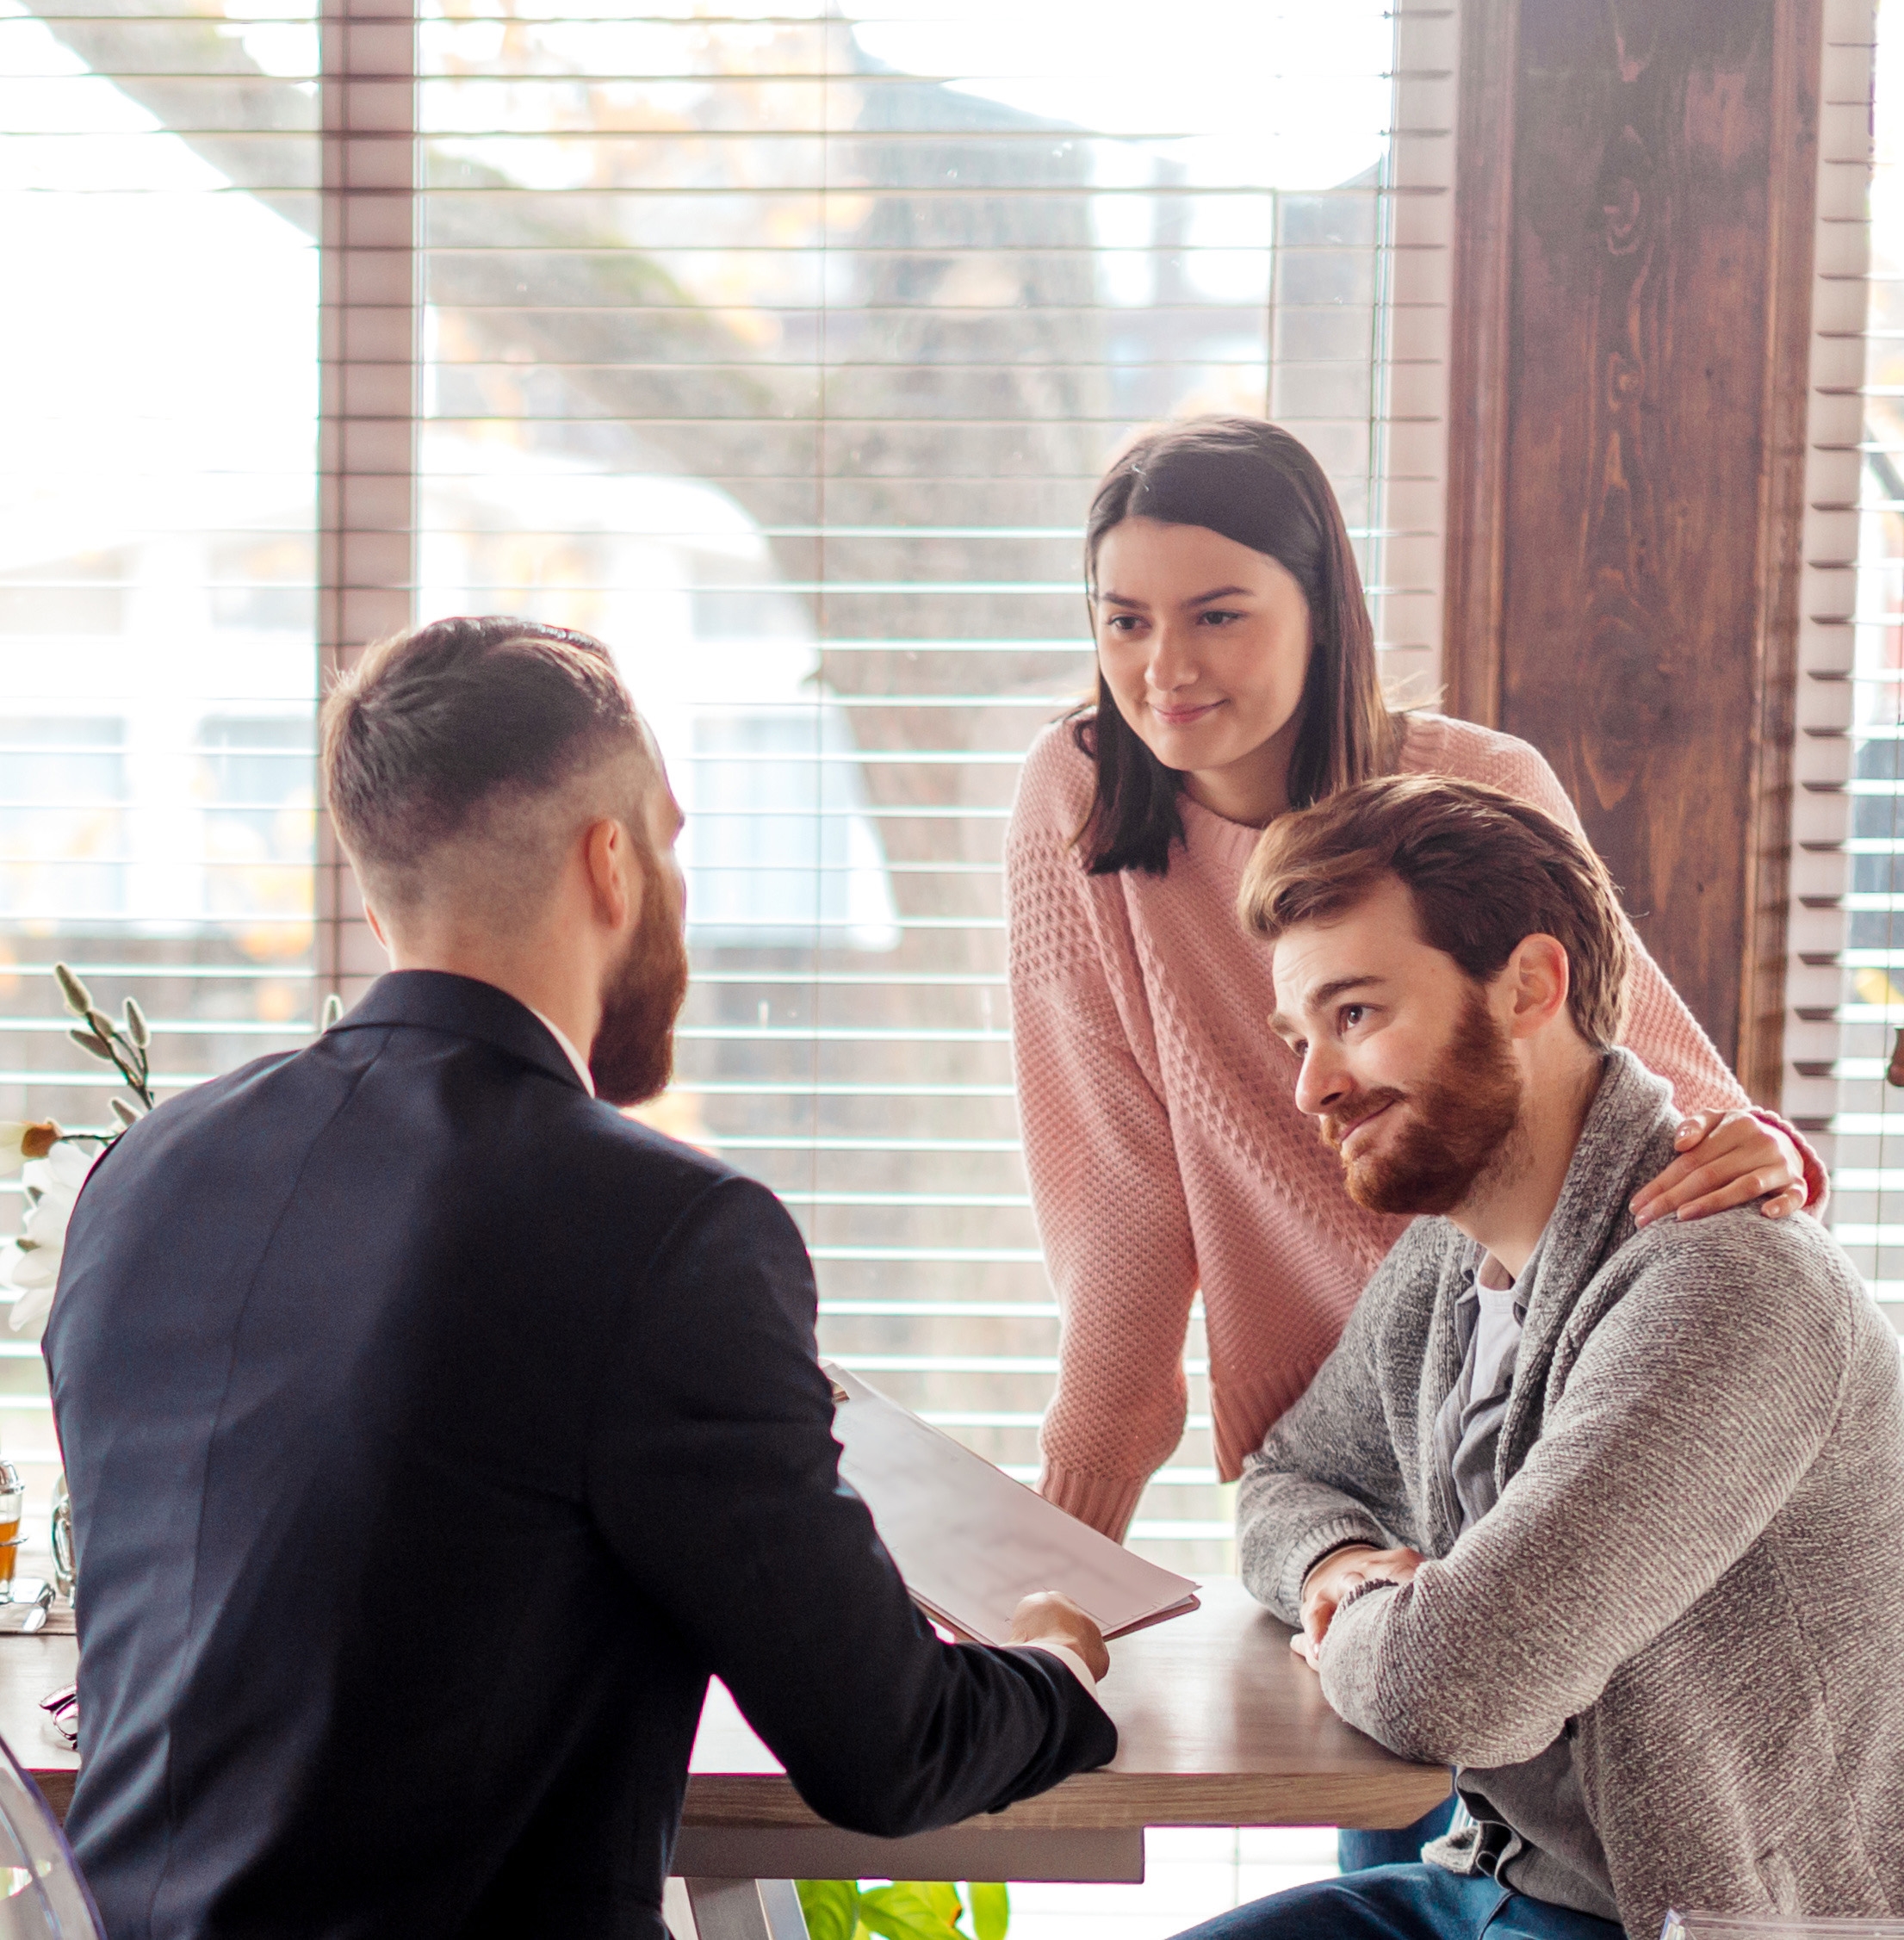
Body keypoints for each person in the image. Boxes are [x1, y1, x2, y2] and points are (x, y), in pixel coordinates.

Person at [46, 617, 1117, 1940]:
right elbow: (890, 1744)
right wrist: (1057, 1660)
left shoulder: (139, 1181)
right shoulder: (664, 1230)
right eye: (670, 842)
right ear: (611, 862)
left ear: (381, 907)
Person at [1002, 415, 1825, 1864]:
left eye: (1218, 614)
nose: (1164, 668)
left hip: (1549, 1429)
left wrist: (1764, 1162)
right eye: (1123, 620)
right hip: (1344, 1471)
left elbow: (1653, 1070)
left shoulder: (1470, 788)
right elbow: (1121, 1214)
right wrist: (1051, 1589)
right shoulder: (1081, 800)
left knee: (1578, 1836)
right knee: (1421, 1860)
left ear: (1324, 608)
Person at [1167, 773, 1904, 1940]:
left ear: (1529, 985)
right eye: (1301, 1038)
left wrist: (1359, 1617)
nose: (1312, 1086)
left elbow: (1459, 1686)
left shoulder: (1730, 1286)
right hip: (1491, 1881)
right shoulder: (1447, 1261)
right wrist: (1340, 1568)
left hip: (1682, 1921)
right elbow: (1289, 1478)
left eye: (1355, 1015)